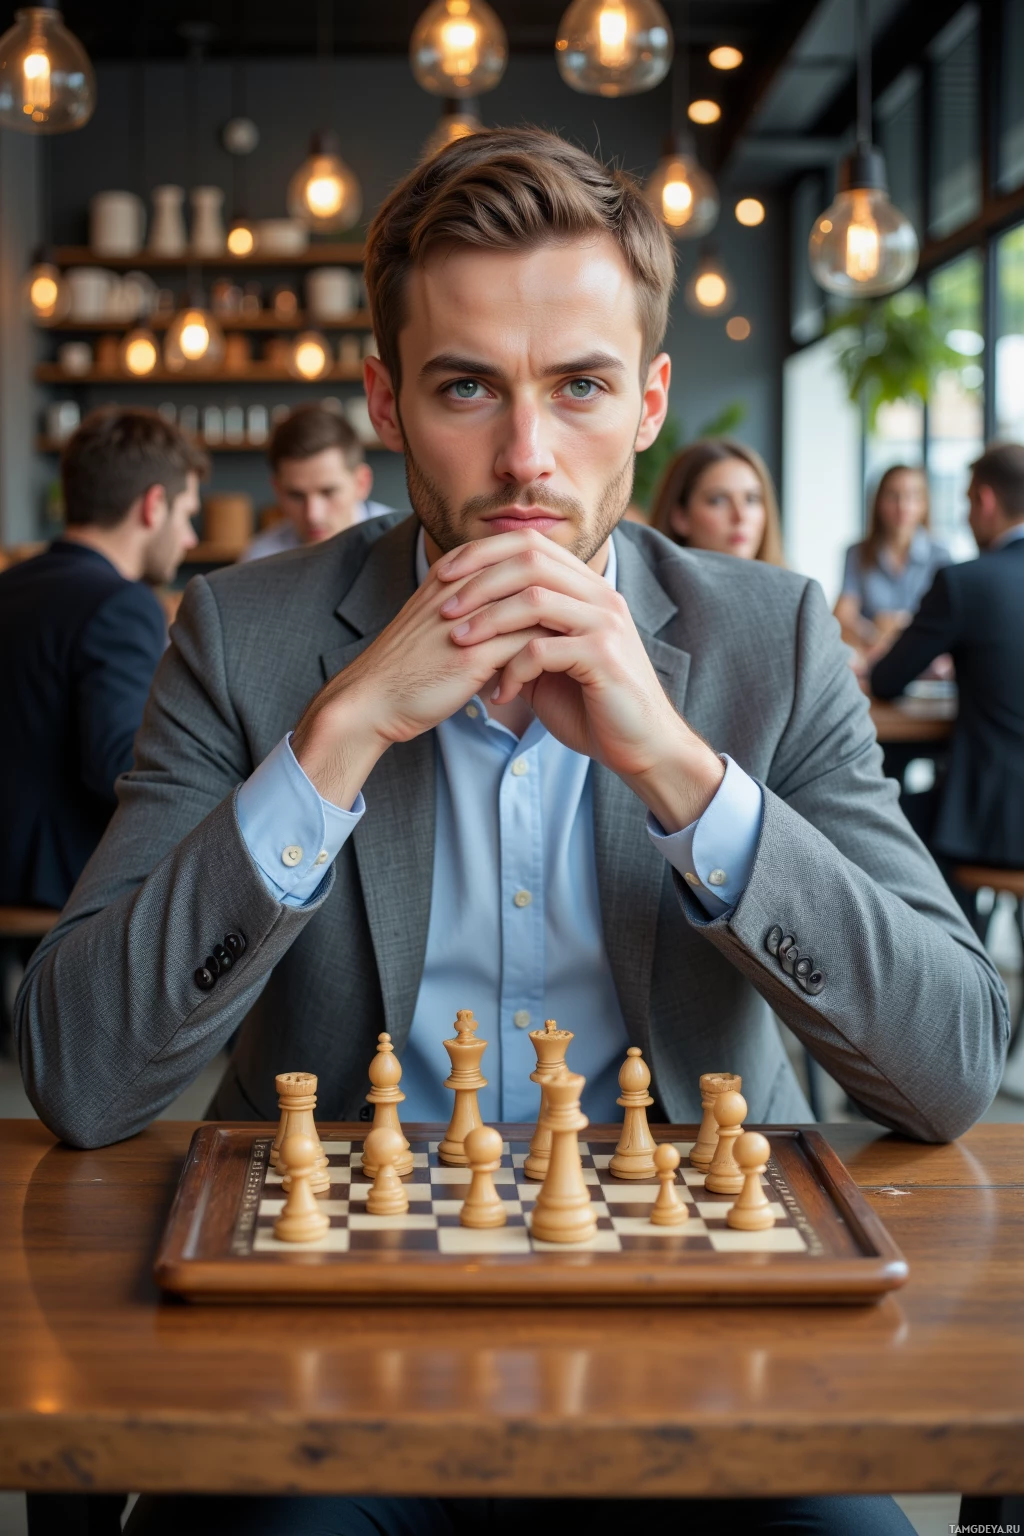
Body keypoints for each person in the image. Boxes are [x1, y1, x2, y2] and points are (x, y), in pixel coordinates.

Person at [15, 127, 1006, 1536]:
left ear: (653, 399)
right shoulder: (244, 639)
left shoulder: (770, 642)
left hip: (708, 1334)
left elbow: (957, 1059)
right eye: (468, 387)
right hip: (323, 1350)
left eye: (582, 386)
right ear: (385, 399)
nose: (527, 458)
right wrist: (341, 734)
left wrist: (676, 765)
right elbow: (79, 1071)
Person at [0, 406, 206, 910]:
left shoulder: (10, 586)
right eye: (186, 515)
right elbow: (118, 767)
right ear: (153, 505)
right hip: (62, 886)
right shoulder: (124, 602)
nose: (191, 539)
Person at [872, 443, 1024, 914]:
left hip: (997, 821)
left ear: (985, 501)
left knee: (877, 827)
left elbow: (886, 680)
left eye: (966, 502)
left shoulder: (966, 582)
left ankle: (956, 967)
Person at [241, 404, 391, 561]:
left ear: (362, 483)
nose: (313, 515)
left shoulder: (404, 545)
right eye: (296, 495)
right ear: (277, 490)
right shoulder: (259, 559)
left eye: (328, 492)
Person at [835, 464, 950, 667]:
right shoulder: (857, 553)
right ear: (878, 502)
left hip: (924, 662)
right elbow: (843, 616)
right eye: (893, 496)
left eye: (913, 496)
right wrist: (873, 631)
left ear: (924, 504)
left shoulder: (940, 555)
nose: (903, 505)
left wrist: (898, 624)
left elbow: (947, 620)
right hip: (872, 657)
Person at [649, 439, 784, 564]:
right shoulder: (637, 588)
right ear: (680, 517)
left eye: (751, 499)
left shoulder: (796, 588)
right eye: (718, 500)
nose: (740, 516)